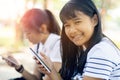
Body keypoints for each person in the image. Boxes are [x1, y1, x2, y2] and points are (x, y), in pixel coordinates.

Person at [35, 0, 120, 80]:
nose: (72, 31)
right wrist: (51, 70)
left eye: (77, 22)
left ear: (94, 20)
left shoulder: (101, 51)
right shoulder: (89, 50)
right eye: (67, 25)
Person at [3, 8, 61, 80]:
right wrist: (19, 67)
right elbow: (36, 78)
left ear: (43, 28)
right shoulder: (38, 46)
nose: (26, 37)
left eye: (28, 33)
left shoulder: (57, 45)